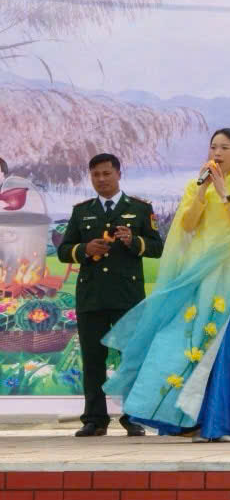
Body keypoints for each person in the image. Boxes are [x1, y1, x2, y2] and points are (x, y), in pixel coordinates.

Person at [104, 129, 230, 442]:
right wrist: (203, 192)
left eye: (225, 147)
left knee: (218, 346)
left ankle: (219, 424)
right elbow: (187, 225)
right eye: (213, 147)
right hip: (195, 271)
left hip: (228, 273)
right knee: (182, 341)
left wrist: (224, 193)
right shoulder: (196, 185)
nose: (217, 153)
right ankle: (182, 421)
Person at [57, 153, 164, 437]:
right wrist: (85, 250)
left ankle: (133, 417)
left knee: (131, 357)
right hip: (91, 296)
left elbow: (157, 247)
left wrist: (133, 241)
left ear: (118, 174)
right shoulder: (82, 211)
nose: (101, 180)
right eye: (96, 175)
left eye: (106, 174)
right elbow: (63, 251)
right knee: (93, 359)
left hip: (127, 296)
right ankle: (95, 419)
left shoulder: (139, 208)